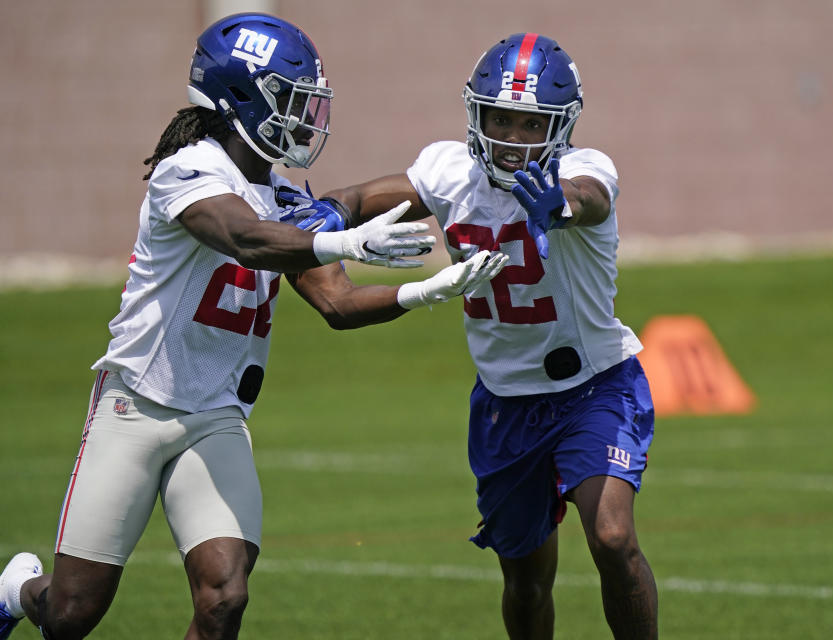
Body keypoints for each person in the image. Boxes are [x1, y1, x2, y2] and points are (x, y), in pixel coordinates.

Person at [0, 13, 505, 640]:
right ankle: (16, 593)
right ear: (240, 97)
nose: (304, 119)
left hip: (215, 416)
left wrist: (426, 289)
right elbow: (244, 239)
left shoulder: (283, 193)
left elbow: (338, 306)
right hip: (137, 405)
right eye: (291, 103)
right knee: (72, 613)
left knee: (224, 596)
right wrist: (343, 238)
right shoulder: (186, 169)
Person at [322, 32, 658, 640]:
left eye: (532, 124)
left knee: (612, 536)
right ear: (476, 113)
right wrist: (322, 219)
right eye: (501, 118)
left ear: (561, 125)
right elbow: (355, 198)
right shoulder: (451, 171)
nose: (512, 138)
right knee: (526, 578)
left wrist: (557, 204)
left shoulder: (583, 170)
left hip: (595, 384)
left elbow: (592, 200)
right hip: (505, 398)